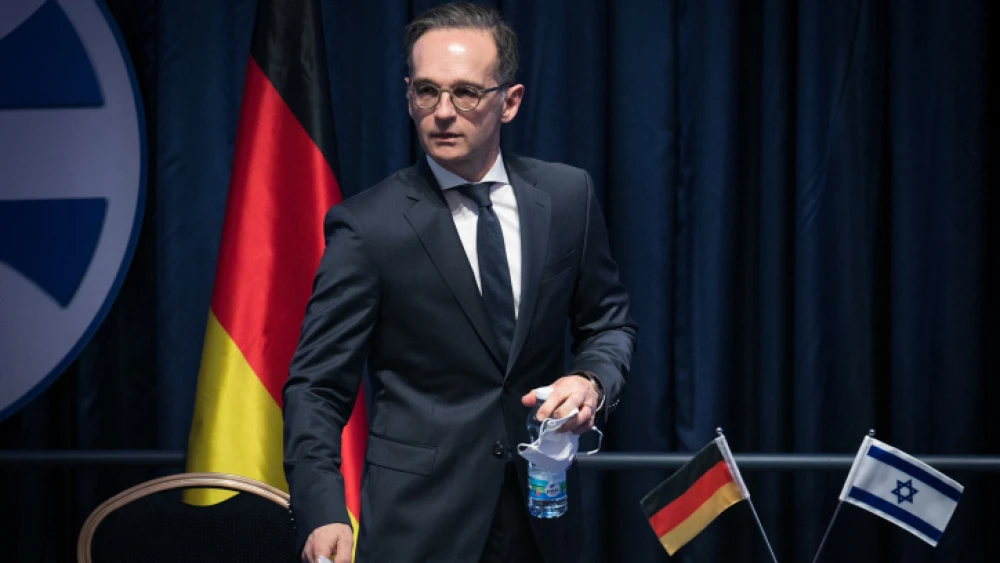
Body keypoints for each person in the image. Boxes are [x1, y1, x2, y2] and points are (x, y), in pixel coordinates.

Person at [282, 3, 636, 562]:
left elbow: (608, 324)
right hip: (419, 527)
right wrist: (322, 509)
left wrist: (591, 381)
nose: (443, 112)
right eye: (427, 91)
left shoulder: (568, 197)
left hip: (542, 523)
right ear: (409, 97)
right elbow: (317, 387)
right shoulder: (368, 226)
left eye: (466, 93)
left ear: (509, 102)